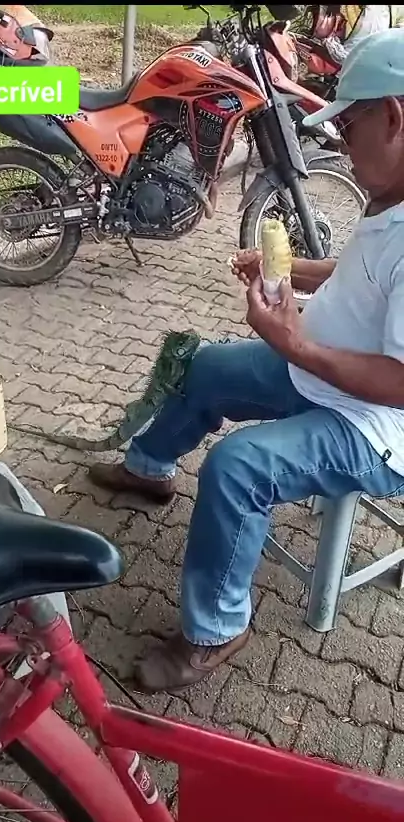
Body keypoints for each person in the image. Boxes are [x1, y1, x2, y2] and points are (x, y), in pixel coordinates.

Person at [88, 28, 404, 695]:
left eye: (349, 126)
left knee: (237, 467)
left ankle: (216, 630)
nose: (341, 142)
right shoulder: (391, 196)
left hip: (374, 428)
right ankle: (148, 468)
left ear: (394, 116)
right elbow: (359, 276)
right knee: (204, 367)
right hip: (318, 373)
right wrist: (287, 270)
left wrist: (295, 343)